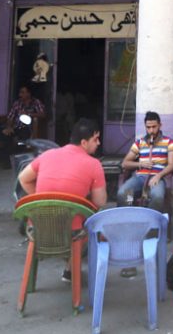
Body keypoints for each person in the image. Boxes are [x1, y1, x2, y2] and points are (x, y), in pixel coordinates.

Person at [17, 118, 106, 282]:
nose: (98, 143)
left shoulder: (47, 155)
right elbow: (99, 202)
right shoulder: (94, 164)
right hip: (69, 234)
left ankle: (68, 271)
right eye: (96, 139)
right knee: (94, 228)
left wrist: (42, 198)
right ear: (84, 142)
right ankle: (73, 271)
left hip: (38, 231)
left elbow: (23, 178)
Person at [117, 111, 173, 213]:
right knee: (123, 193)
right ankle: (131, 216)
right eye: (148, 127)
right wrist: (140, 164)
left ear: (160, 125)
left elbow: (172, 165)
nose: (151, 130)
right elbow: (125, 163)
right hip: (139, 178)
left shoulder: (169, 143)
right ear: (145, 127)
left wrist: (158, 176)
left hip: (157, 179)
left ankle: (151, 222)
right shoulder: (139, 143)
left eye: (154, 127)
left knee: (157, 197)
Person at [0, 85, 46, 158]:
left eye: (22, 92)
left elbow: (42, 114)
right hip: (16, 127)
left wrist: (28, 114)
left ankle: (20, 157)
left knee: (22, 138)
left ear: (28, 93)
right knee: (5, 134)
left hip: (28, 129)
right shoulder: (17, 103)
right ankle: (8, 160)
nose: (20, 95)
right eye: (20, 93)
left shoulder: (35, 102)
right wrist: (9, 127)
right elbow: (10, 117)